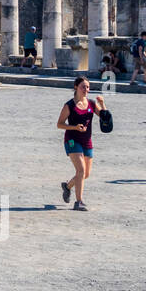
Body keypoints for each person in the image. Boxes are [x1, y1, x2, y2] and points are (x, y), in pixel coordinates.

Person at [57, 75, 105, 211]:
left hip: (87, 140)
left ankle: (67, 186)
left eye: (88, 87)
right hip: (72, 140)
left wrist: (102, 104)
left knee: (85, 174)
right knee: (81, 170)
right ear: (76, 87)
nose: (86, 89)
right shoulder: (69, 105)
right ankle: (79, 202)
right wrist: (74, 127)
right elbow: (59, 124)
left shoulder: (91, 103)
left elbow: (105, 117)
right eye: (83, 86)